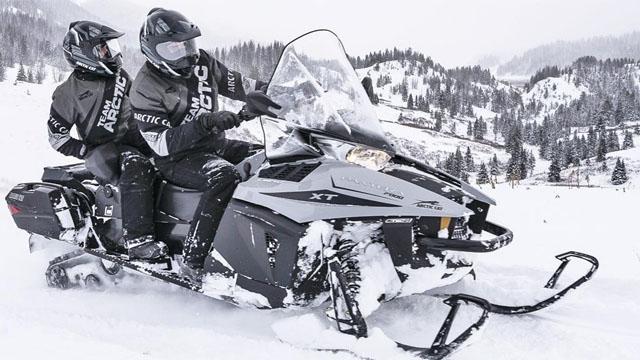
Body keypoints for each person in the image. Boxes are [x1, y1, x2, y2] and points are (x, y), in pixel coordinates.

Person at [130, 8, 273, 279]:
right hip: (177, 158)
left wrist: (275, 92)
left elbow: (241, 84)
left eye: (188, 43)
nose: (186, 53)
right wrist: (206, 123)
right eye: (174, 48)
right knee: (224, 175)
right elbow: (160, 143)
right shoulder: (145, 86)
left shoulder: (203, 62)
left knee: (272, 157)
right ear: (154, 51)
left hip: (214, 145)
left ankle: (262, 242)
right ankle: (194, 260)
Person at [48, 21, 167, 260]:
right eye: (104, 49)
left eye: (111, 47)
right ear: (84, 54)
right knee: (137, 164)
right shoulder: (67, 92)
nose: (112, 53)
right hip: (109, 150)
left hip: (140, 138)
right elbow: (57, 137)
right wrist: (87, 151)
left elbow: (142, 103)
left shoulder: (120, 76)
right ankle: (138, 240)